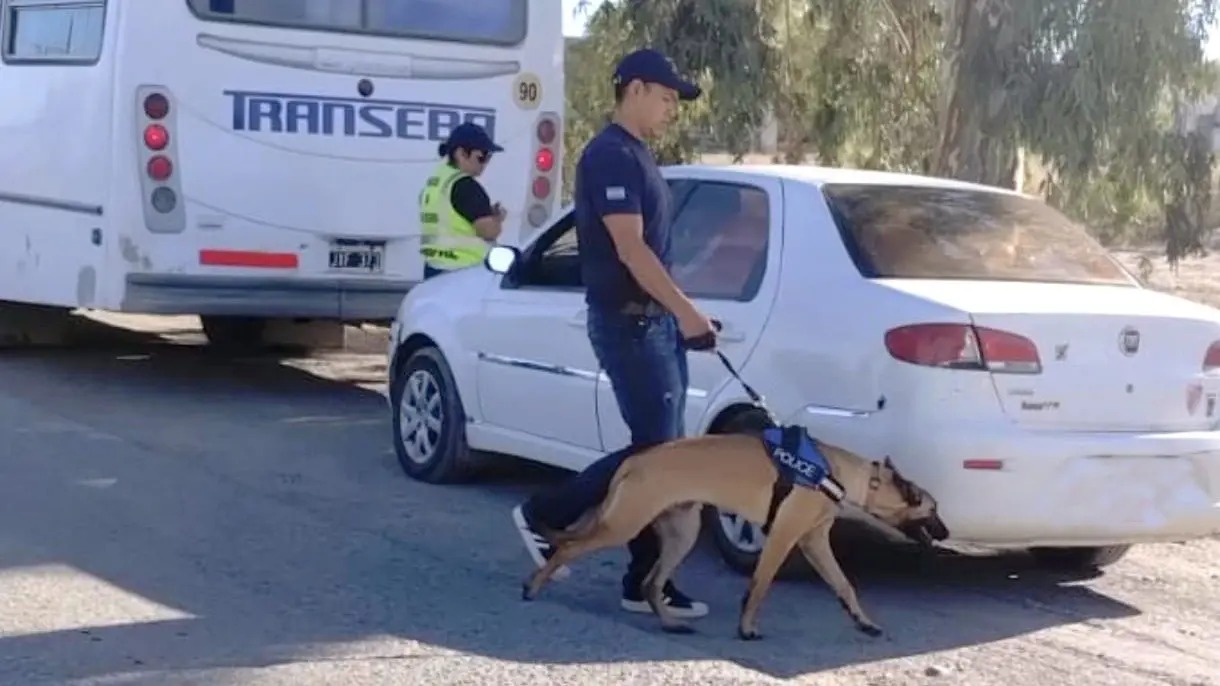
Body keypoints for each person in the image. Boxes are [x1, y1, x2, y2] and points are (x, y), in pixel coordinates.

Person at [511, 48, 718, 619]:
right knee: (654, 456)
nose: (672, 108)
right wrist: (685, 313)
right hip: (630, 324)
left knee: (661, 457)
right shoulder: (609, 157)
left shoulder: (637, 155)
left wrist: (683, 315)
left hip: (652, 324)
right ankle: (544, 515)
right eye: (667, 96)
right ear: (635, 90)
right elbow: (630, 250)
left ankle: (642, 580)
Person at [418, 122, 507, 279]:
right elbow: (490, 231)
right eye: (482, 157)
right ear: (461, 153)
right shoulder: (466, 187)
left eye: (488, 157)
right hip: (465, 271)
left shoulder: (437, 181)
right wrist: (497, 219)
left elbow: (453, 219)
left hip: (434, 268)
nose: (485, 163)